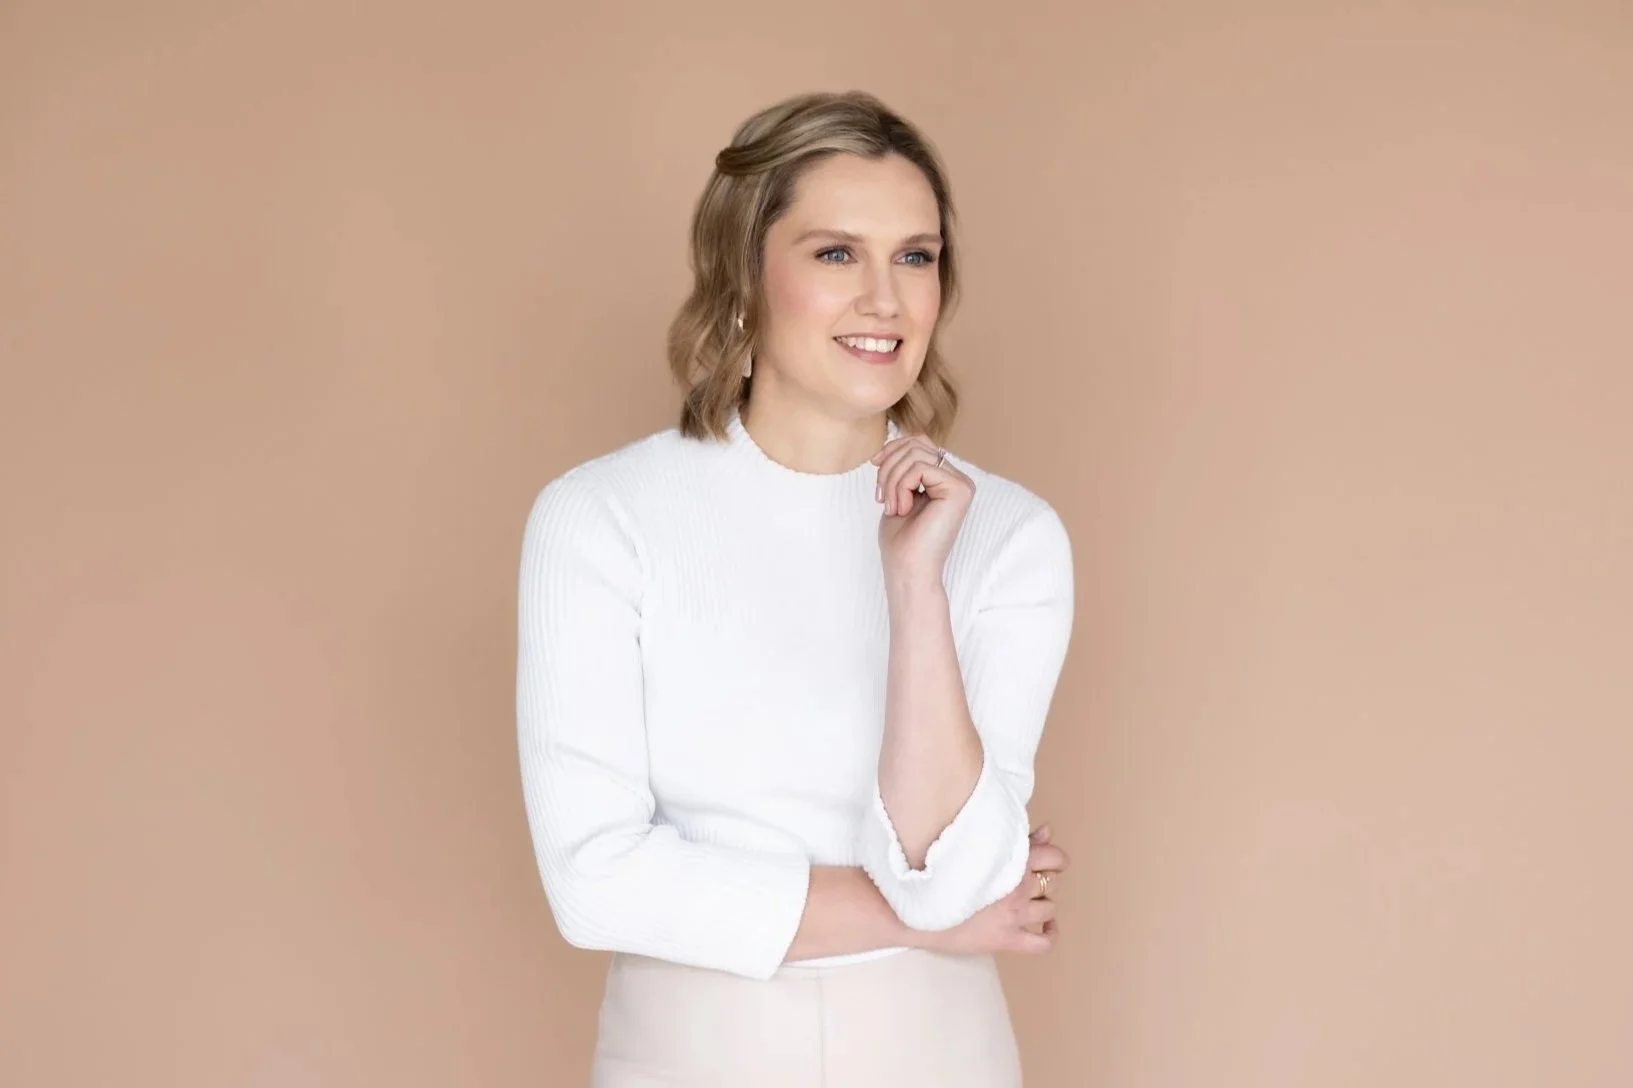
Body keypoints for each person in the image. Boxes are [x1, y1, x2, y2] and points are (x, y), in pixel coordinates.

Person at [516, 90, 1075, 1087]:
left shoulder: (1007, 534)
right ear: (743, 275)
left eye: (915, 256)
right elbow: (595, 882)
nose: (884, 299)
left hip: (937, 1056)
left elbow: (948, 866)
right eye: (835, 253)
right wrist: (925, 916)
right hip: (686, 1057)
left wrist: (914, 585)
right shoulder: (602, 516)